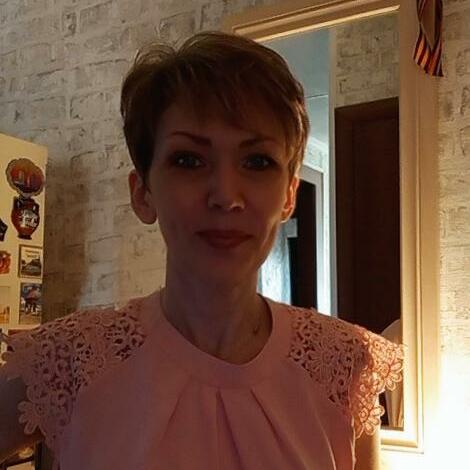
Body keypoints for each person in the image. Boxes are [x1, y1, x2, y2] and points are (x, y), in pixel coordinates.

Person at [0, 31, 403, 470]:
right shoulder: (65, 361)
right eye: (189, 160)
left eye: (257, 161)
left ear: (289, 195)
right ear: (143, 193)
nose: (226, 196)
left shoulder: (345, 365)